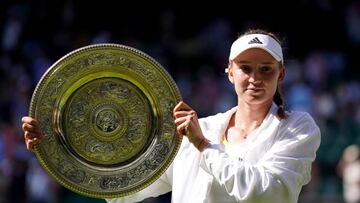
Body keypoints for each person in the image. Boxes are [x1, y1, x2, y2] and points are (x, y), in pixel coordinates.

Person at [22, 28, 321, 203]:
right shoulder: (202, 128)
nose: (255, 77)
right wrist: (55, 143)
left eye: (265, 69)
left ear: (280, 75)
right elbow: (127, 187)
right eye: (245, 68)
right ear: (230, 73)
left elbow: (266, 193)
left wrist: (203, 146)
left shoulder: (297, 128)